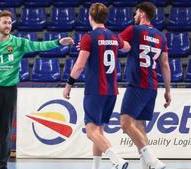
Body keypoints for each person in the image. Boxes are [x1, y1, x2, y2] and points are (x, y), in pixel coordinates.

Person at [0, 10, 74, 169]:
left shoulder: (18, 43)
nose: (8, 25)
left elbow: (39, 45)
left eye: (9, 22)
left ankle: (2, 166)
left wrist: (58, 42)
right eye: (5, 22)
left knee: (5, 132)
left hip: (9, 92)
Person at [63, 3, 131, 169]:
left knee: (91, 131)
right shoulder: (113, 36)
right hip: (111, 90)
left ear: (90, 17)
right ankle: (96, 166)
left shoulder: (89, 37)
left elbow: (79, 66)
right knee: (99, 132)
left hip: (95, 90)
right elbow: (127, 47)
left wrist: (68, 85)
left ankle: (117, 160)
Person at [119, 2, 171, 169]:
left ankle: (153, 161)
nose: (134, 16)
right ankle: (146, 166)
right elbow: (165, 64)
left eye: (136, 13)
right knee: (140, 126)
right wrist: (168, 91)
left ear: (141, 13)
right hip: (152, 86)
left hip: (136, 84)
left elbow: (115, 44)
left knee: (126, 123)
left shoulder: (133, 30)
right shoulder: (160, 36)